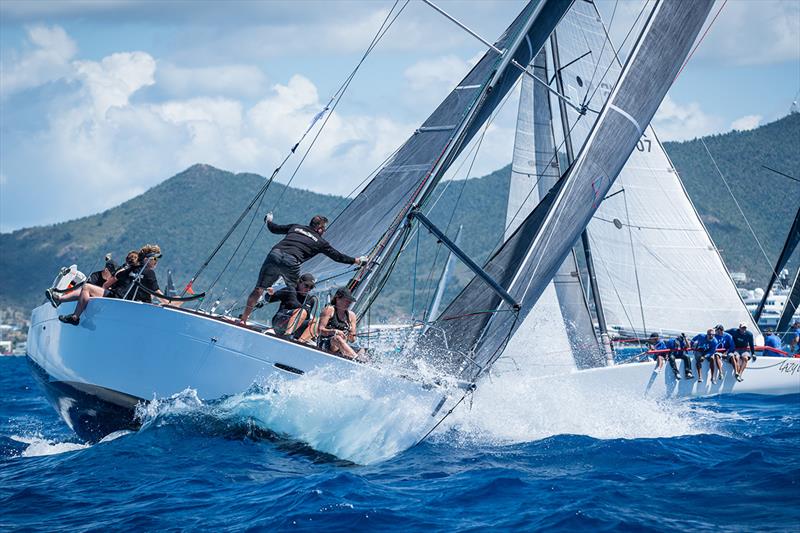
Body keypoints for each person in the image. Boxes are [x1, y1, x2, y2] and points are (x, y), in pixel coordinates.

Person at [239, 214, 367, 325]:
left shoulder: (296, 227)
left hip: (275, 254)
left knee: (258, 289)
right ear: (320, 229)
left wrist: (268, 220)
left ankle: (243, 319)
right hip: (291, 261)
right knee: (296, 291)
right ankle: (303, 317)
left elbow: (274, 228)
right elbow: (338, 257)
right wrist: (356, 260)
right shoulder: (320, 242)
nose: (324, 231)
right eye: (324, 229)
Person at [57, 245, 164, 326]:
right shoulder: (148, 273)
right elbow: (159, 295)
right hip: (120, 300)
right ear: (147, 259)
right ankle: (73, 314)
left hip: (117, 298)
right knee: (87, 288)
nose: (156, 262)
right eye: (155, 259)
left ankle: (73, 313)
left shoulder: (131, 269)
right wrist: (174, 302)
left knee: (86, 288)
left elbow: (108, 283)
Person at [318, 287, 366, 362]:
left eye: (350, 301)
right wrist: (335, 331)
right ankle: (356, 360)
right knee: (337, 338)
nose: (349, 303)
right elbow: (320, 330)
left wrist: (351, 335)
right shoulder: (329, 310)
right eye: (346, 300)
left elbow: (352, 339)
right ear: (337, 299)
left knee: (363, 350)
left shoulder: (351, 315)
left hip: (342, 345)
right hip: (326, 343)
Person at [264, 273, 318, 341]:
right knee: (302, 311)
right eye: (306, 285)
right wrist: (269, 294)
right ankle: (287, 336)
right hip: (280, 322)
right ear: (299, 282)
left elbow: (307, 318)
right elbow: (270, 299)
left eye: (311, 287)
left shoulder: (311, 300)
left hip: (296, 327)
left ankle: (301, 341)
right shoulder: (290, 290)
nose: (308, 289)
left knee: (316, 321)